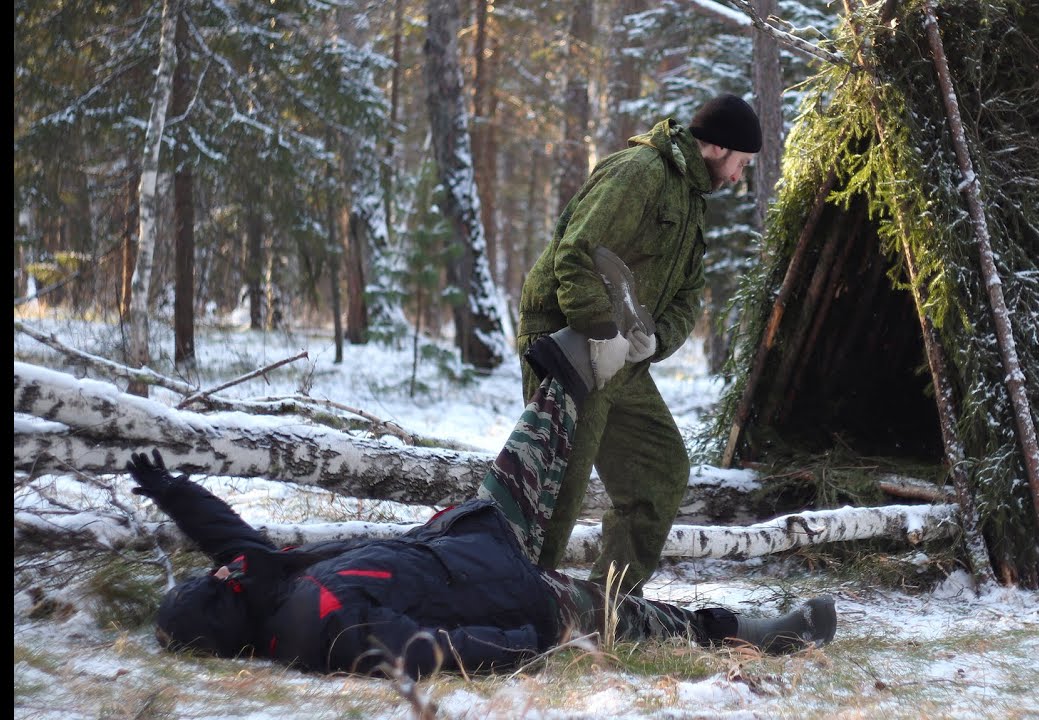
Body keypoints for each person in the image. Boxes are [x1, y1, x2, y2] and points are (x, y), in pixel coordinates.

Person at [132, 321, 835, 679]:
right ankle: (760, 632)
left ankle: (587, 360)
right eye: (216, 583)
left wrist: (171, 490)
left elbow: (226, 536)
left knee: (528, 446)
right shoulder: (318, 629)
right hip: (521, 599)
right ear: (228, 620)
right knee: (643, 621)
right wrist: (520, 645)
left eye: (218, 572)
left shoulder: (260, 580)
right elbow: (425, 651)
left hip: (469, 537)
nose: (224, 569)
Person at [517, 92, 763, 596]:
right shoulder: (640, 172)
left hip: (620, 361)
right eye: (741, 163)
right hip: (569, 346)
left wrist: (654, 340)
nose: (739, 178)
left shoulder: (693, 201)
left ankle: (605, 607)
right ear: (717, 147)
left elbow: (689, 294)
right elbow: (578, 253)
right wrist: (600, 330)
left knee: (660, 470)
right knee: (557, 490)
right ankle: (515, 610)